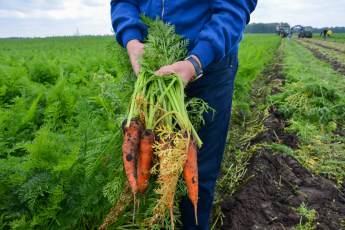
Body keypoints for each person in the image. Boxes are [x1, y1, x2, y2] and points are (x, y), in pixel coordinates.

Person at [110, 1, 257, 229]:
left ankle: (193, 221)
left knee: (199, 171)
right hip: (151, 65)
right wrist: (131, 39)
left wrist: (196, 61)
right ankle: (155, 217)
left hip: (209, 63)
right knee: (152, 166)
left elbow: (234, 6)